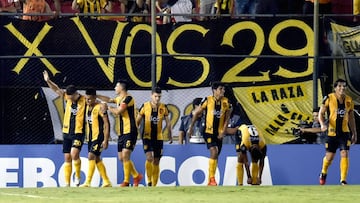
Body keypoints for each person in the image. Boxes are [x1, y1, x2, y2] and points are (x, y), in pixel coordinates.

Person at [43, 70, 85, 187]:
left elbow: (97, 103)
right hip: (66, 132)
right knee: (67, 157)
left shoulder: (84, 100)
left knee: (74, 154)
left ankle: (77, 177)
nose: (68, 99)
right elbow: (56, 89)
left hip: (78, 132)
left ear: (75, 94)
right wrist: (48, 81)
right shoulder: (67, 97)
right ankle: (67, 184)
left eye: (70, 97)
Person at [97, 80, 143, 187]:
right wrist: (97, 95)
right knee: (121, 158)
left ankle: (126, 181)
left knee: (126, 154)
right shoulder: (119, 99)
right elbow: (109, 99)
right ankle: (136, 176)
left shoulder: (128, 98)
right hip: (121, 132)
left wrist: (107, 107)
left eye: (116, 86)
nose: (114, 88)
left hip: (130, 131)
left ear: (121, 88)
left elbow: (118, 111)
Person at [188, 81, 231, 186]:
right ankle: (212, 179)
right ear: (214, 90)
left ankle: (210, 180)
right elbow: (197, 113)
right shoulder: (207, 100)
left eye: (223, 89)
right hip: (208, 131)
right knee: (214, 151)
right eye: (221, 89)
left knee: (216, 155)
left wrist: (223, 132)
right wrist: (191, 127)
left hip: (219, 133)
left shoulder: (226, 102)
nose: (223, 91)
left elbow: (227, 118)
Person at [318, 79, 357, 185]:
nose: (342, 88)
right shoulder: (329, 98)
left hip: (344, 133)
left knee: (345, 153)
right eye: (339, 86)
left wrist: (354, 132)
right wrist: (322, 124)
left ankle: (343, 180)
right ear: (335, 88)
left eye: (344, 86)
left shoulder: (349, 100)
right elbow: (320, 113)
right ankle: (323, 171)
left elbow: (351, 117)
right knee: (330, 157)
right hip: (331, 133)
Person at [136, 87, 173, 186]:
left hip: (159, 137)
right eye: (155, 96)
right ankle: (148, 180)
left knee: (156, 161)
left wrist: (170, 134)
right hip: (147, 136)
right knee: (149, 158)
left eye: (159, 97)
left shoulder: (163, 107)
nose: (157, 99)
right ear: (151, 95)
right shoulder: (145, 106)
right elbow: (137, 121)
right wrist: (135, 133)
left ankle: (154, 185)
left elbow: (168, 122)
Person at [80, 88, 112, 187]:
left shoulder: (100, 107)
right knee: (97, 158)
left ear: (94, 98)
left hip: (99, 137)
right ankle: (107, 181)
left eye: (89, 99)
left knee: (91, 156)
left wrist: (106, 140)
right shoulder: (88, 107)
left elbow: (107, 124)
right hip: (90, 137)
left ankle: (88, 182)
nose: (87, 101)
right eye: (86, 99)